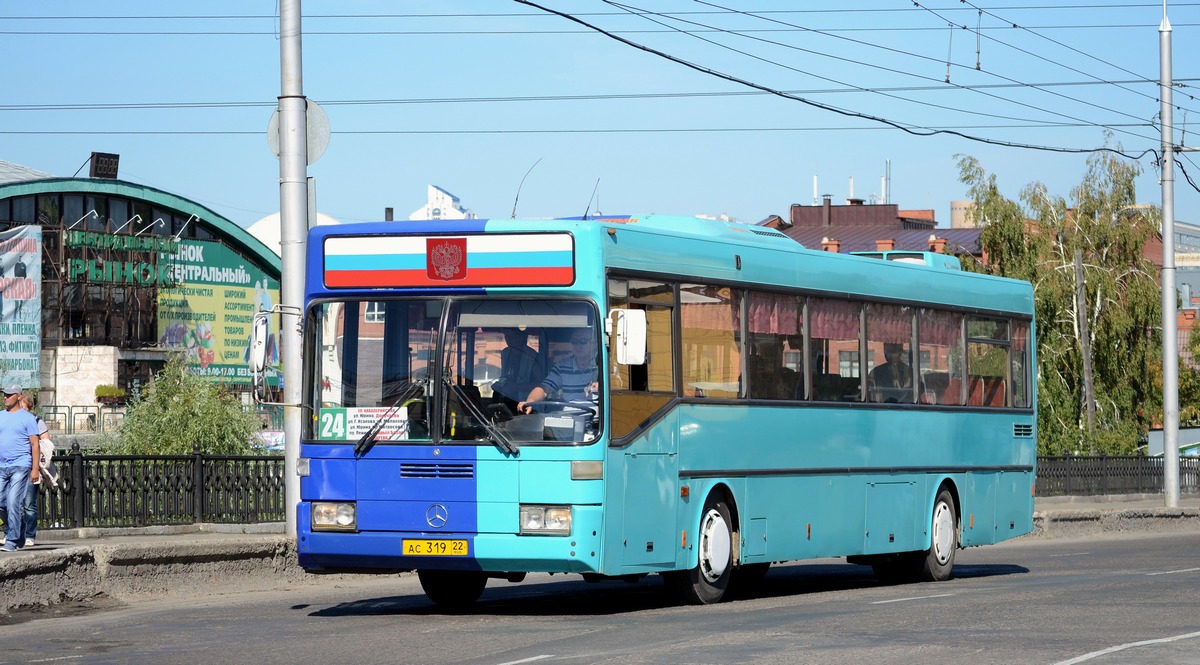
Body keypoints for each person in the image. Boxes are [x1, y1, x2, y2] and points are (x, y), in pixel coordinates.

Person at [517, 328, 599, 414]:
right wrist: (530, 402)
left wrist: (601, 386)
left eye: (583, 341)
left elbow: (613, 387)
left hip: (598, 420)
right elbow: (544, 388)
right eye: (574, 342)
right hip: (570, 418)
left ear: (595, 344)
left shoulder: (603, 365)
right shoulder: (562, 367)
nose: (578, 345)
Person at [0, 385, 39, 551]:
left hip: (20, 466)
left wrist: (35, 469)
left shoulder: (27, 418)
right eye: (4, 395)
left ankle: (12, 539)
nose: (5, 398)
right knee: (1, 503)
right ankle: (20, 527)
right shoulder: (0, 416)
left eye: (9, 395)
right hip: (2, 466)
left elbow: (35, 444)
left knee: (13, 502)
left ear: (19, 397)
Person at [17, 394, 52, 548]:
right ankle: (15, 534)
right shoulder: (13, 421)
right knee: (13, 503)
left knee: (29, 503)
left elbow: (47, 444)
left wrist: (36, 467)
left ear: (29, 407)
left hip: (32, 467)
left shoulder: (37, 422)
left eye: (23, 406)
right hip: (17, 466)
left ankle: (29, 535)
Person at [490, 328, 544, 409]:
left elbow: (541, 385)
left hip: (526, 404)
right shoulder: (506, 353)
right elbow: (506, 376)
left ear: (522, 337)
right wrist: (500, 386)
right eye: (506, 335)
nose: (509, 339)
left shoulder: (533, 357)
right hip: (507, 401)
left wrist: (516, 387)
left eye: (512, 335)